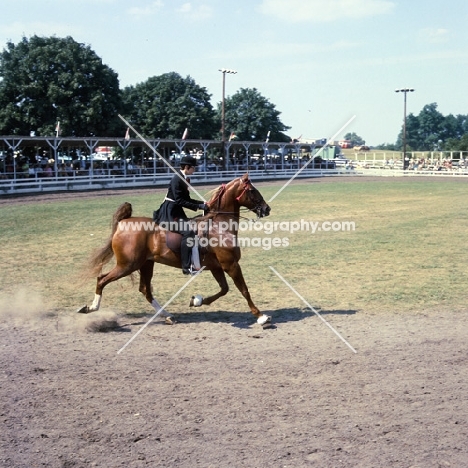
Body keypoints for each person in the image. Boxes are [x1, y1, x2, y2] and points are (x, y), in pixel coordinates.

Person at [153, 155, 208, 275]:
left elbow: (187, 198)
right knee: (188, 232)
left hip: (177, 211)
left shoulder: (184, 179)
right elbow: (179, 200)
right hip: (170, 213)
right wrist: (199, 207)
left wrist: (203, 203)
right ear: (187, 167)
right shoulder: (177, 179)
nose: (195, 170)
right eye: (194, 168)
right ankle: (186, 267)